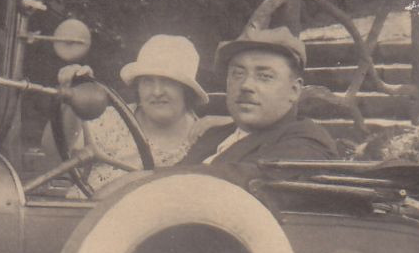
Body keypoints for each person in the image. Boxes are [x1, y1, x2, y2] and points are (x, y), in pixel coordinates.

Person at [58, 34, 213, 189]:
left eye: (168, 82)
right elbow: (56, 155)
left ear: (187, 90)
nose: (157, 91)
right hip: (84, 211)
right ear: (138, 87)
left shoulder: (208, 139)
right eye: (147, 81)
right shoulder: (109, 120)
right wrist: (72, 96)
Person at [181, 25, 339, 166]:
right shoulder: (214, 135)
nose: (246, 85)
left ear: (294, 90)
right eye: (238, 74)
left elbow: (233, 181)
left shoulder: (306, 142)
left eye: (265, 76)